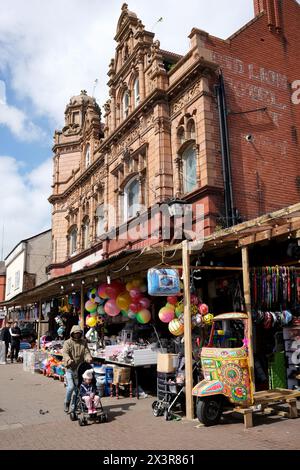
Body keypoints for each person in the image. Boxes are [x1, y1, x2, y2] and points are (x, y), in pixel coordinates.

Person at [62, 325, 93, 413]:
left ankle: (73, 407)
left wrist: (88, 357)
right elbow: (64, 352)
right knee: (71, 387)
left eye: (78, 333)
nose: (77, 335)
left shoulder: (84, 342)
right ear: (72, 333)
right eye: (75, 333)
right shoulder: (67, 342)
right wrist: (68, 360)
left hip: (80, 370)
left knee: (77, 389)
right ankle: (66, 402)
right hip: (70, 368)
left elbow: (87, 352)